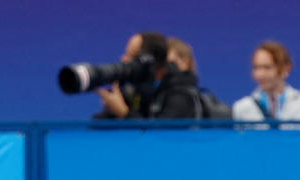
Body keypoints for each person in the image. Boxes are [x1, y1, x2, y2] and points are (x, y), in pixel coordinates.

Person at [92, 32, 222, 120]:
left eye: (132, 56)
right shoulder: (137, 90)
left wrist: (124, 113)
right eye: (126, 54)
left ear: (149, 61)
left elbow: (160, 142)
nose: (124, 60)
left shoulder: (181, 95)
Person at [231, 39, 300, 125]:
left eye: (267, 67)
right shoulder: (242, 108)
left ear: (285, 69)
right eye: (256, 68)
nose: (260, 74)